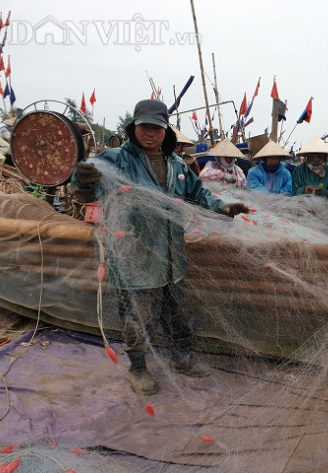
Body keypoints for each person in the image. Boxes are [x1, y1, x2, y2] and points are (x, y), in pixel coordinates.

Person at [71, 99, 249, 396]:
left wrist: (225, 208)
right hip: (135, 253)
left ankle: (181, 358)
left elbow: (199, 194)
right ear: (134, 128)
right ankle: (137, 367)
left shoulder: (177, 164)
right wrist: (83, 178)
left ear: (166, 132)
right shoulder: (116, 159)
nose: (151, 133)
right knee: (137, 316)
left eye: (157, 128)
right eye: (145, 127)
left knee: (178, 311)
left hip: (170, 256)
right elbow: (86, 183)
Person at [292, 136, 328, 200]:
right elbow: (293, 191)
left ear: (324, 157)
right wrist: (304, 190)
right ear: (308, 156)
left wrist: (323, 192)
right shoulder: (299, 171)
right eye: (312, 156)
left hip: (325, 207)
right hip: (302, 206)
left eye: (319, 156)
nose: (315, 159)